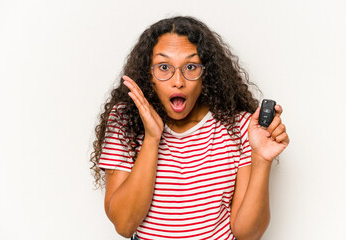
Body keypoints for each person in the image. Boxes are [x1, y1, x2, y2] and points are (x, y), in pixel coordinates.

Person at [90, 16, 289, 240]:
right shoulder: (125, 121)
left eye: (191, 67)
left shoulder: (239, 126)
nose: (178, 81)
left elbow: (248, 234)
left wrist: (261, 159)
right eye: (164, 67)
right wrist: (152, 138)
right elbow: (124, 225)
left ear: (207, 74)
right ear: (149, 75)